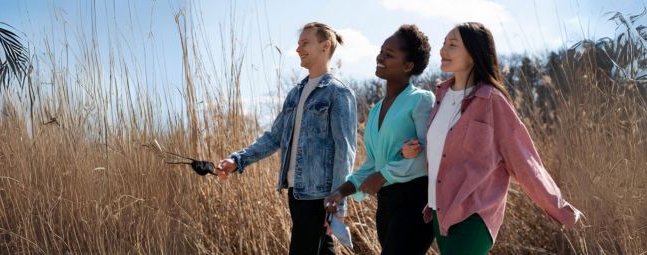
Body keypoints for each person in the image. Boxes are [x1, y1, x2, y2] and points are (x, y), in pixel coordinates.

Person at [401, 22, 582, 254]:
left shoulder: (492, 101)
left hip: (475, 213)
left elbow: (525, 160)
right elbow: (442, 150)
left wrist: (560, 208)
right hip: (441, 211)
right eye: (444, 44)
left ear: (474, 54)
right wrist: (410, 150)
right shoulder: (441, 96)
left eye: (452, 45)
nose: (443, 51)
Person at [215, 22, 357, 255]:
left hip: (319, 195)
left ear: (325, 46)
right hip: (296, 192)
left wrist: (337, 200)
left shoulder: (338, 93)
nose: (298, 48)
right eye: (298, 43)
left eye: (304, 43)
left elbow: (346, 151)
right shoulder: (296, 93)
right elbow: (274, 137)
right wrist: (237, 160)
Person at [323, 24, 435, 255]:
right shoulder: (375, 112)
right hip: (386, 206)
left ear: (408, 66)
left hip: (415, 202)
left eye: (389, 55)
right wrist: (340, 192)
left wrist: (382, 176)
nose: (380, 57)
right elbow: (373, 164)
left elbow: (428, 156)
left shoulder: (422, 100)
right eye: (381, 51)